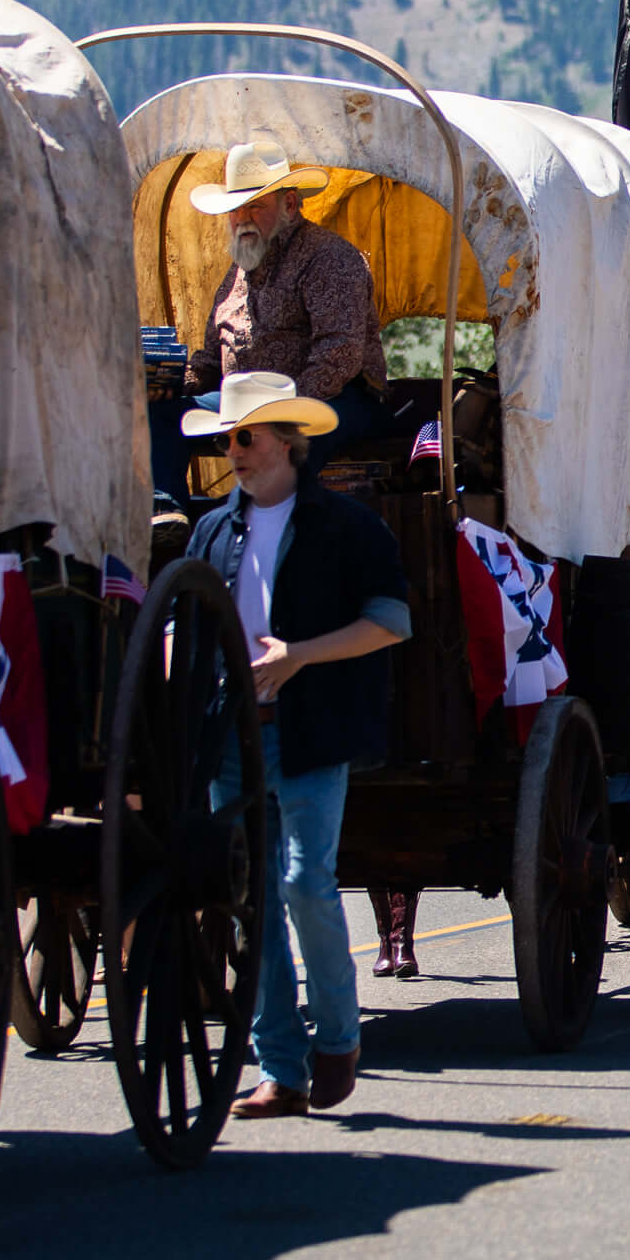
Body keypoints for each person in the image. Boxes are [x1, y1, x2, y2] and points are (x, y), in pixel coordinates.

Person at [184, 373, 411, 1119]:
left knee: (304, 882)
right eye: (228, 439)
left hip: (311, 734)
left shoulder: (346, 527)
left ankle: (338, 1040)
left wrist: (300, 655)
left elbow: (390, 622)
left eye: (244, 438)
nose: (233, 452)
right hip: (230, 739)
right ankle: (279, 1065)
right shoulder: (213, 530)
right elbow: (187, 631)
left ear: (286, 442)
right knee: (250, 900)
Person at [150, 143, 388, 504]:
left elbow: (339, 354)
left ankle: (269, 523)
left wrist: (280, 410)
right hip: (247, 402)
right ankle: (168, 514)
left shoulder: (329, 258)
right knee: (162, 416)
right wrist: (170, 385)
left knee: (294, 442)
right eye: (236, 208)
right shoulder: (238, 270)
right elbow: (211, 361)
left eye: (255, 206)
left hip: (335, 398)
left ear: (289, 205)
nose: (242, 218)